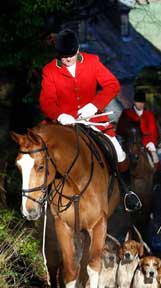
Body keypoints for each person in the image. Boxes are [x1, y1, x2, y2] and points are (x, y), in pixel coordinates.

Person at [39, 28, 141, 212]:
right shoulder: (50, 70)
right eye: (63, 56)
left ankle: (128, 193)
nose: (68, 59)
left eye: (70, 55)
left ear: (77, 49)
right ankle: (43, 198)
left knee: (119, 153)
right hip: (64, 124)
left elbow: (112, 84)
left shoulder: (92, 62)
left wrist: (94, 105)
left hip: (93, 120)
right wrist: (60, 115)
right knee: (42, 155)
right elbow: (46, 101)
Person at [119, 89, 159, 165]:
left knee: (155, 159)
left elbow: (153, 131)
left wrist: (152, 142)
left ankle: (157, 174)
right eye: (138, 102)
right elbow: (120, 130)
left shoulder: (149, 115)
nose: (140, 104)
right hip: (129, 143)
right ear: (134, 102)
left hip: (146, 143)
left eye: (142, 102)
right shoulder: (126, 113)